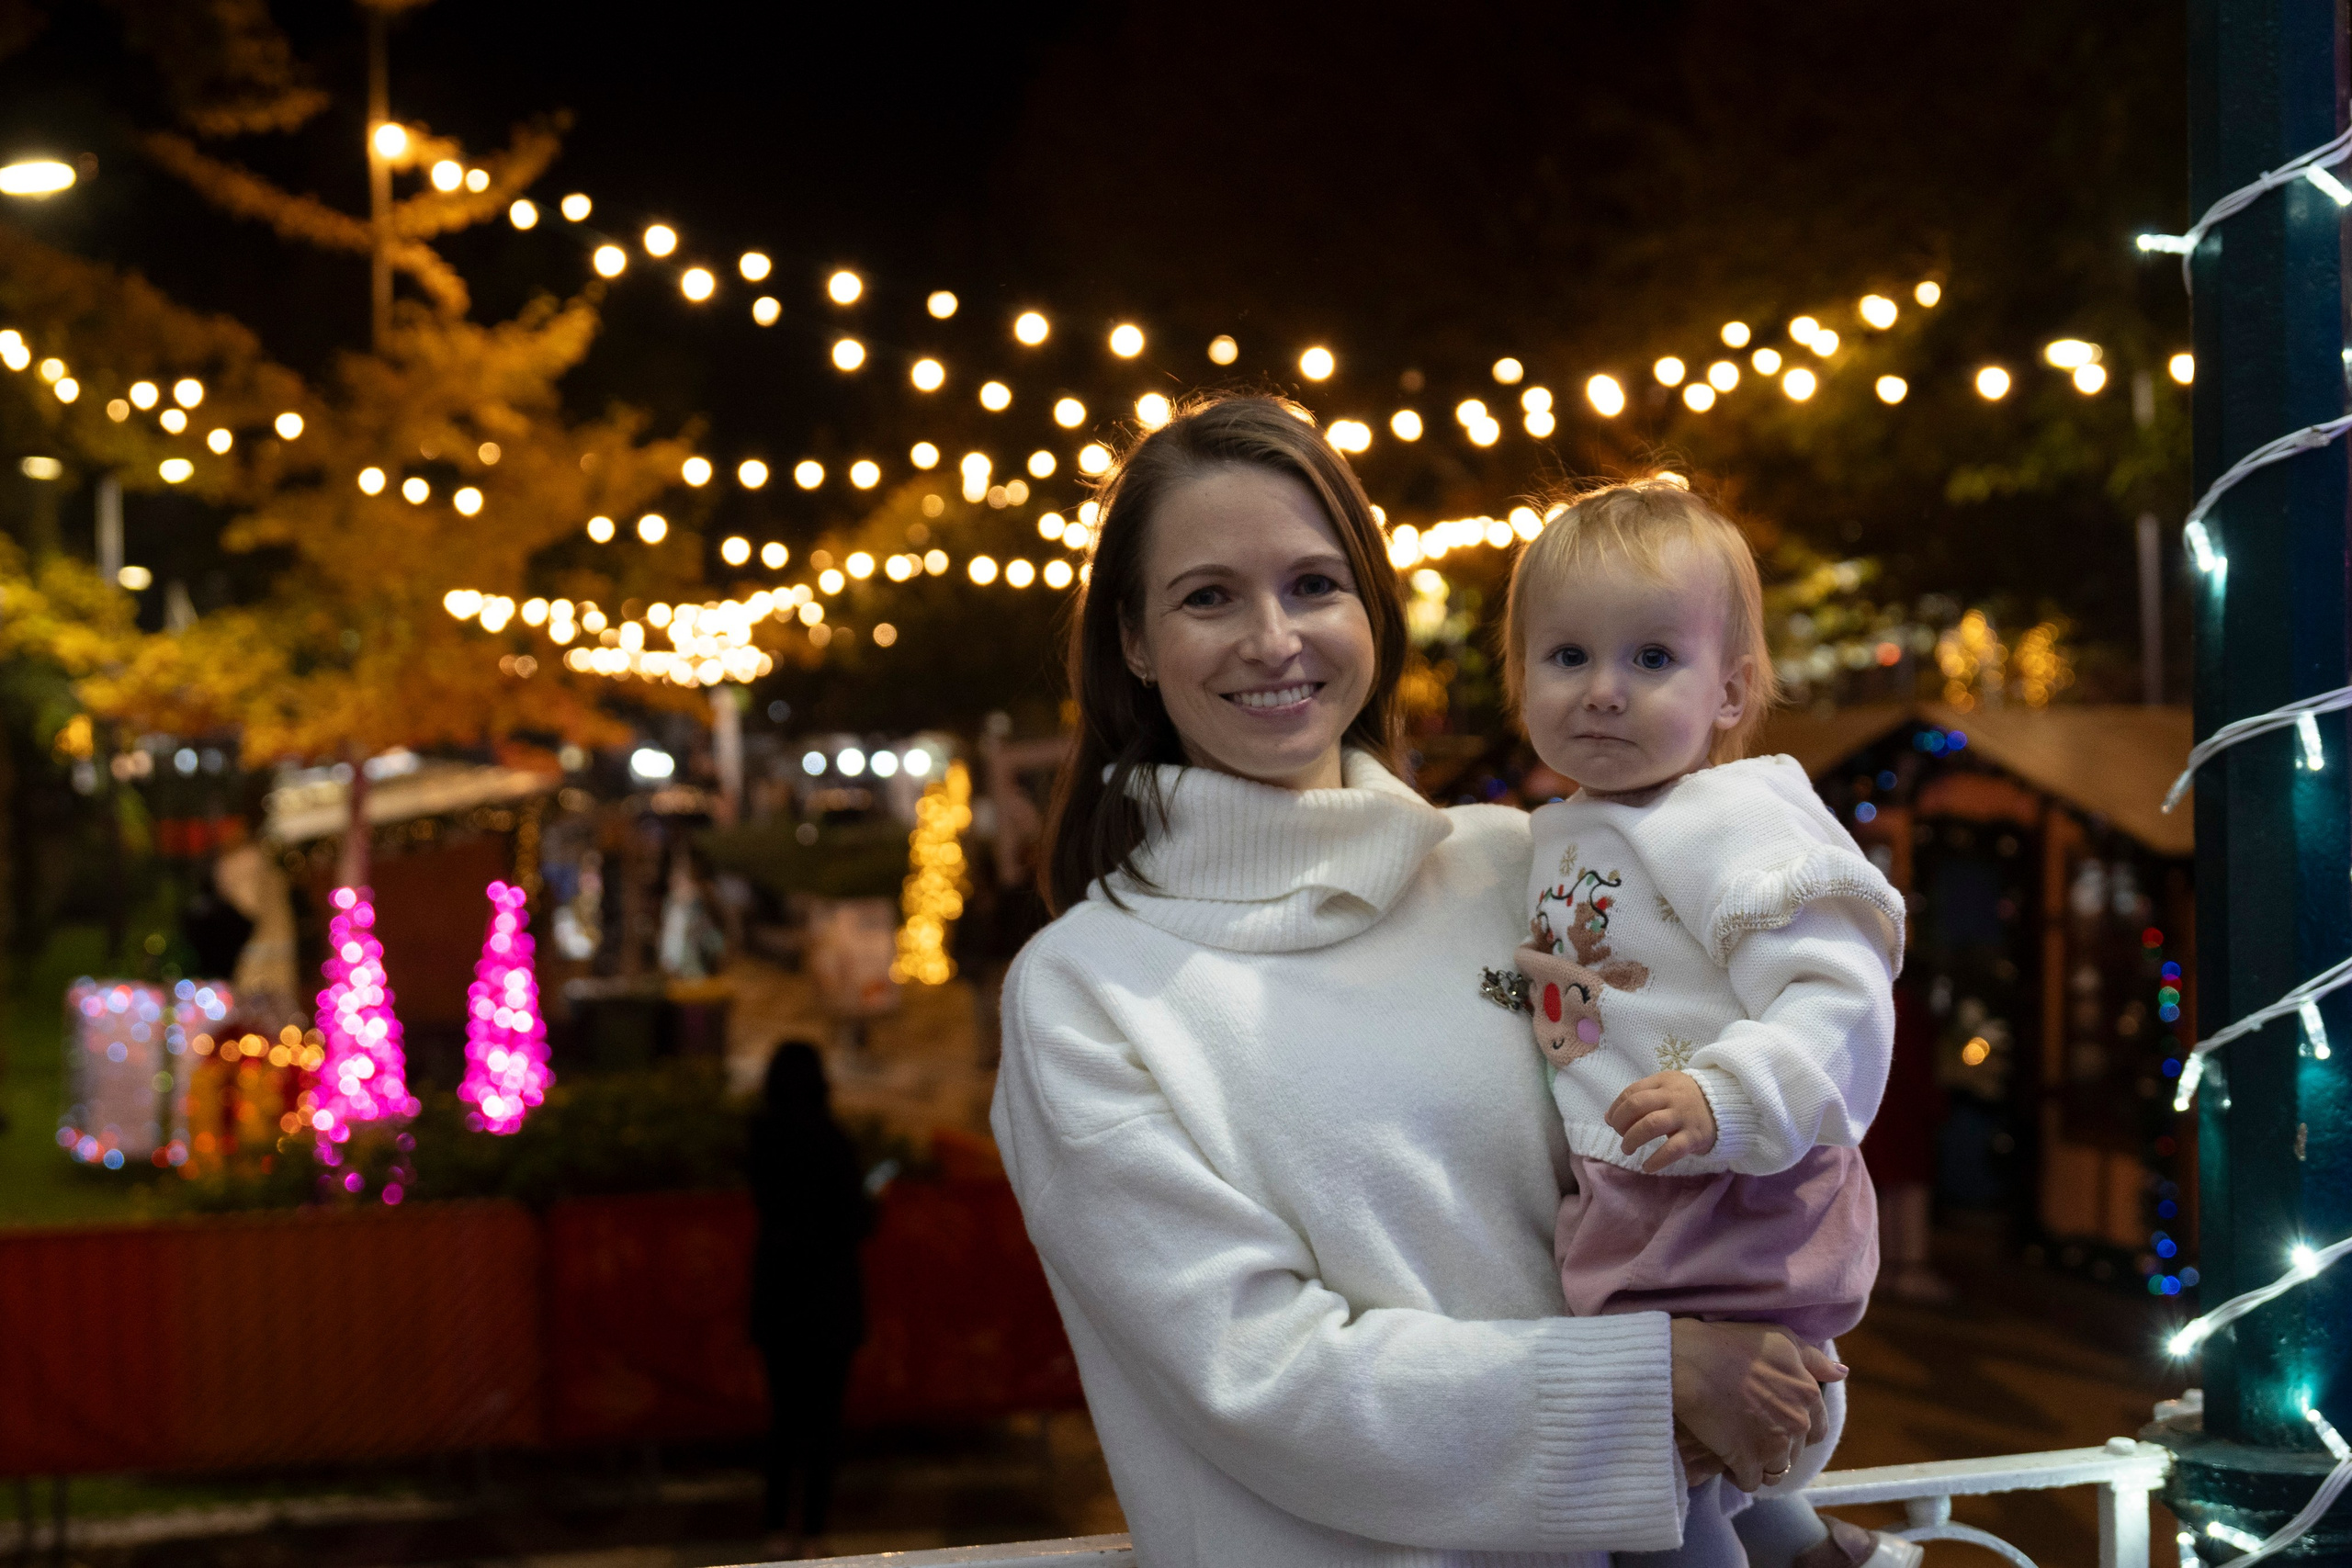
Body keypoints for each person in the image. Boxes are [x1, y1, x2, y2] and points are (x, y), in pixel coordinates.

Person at [990, 394, 1840, 1568]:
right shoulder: (1085, 992)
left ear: (1372, 611)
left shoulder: (1516, 866)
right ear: (1133, 641)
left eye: (1312, 584)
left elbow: (1694, 1174)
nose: (1274, 638)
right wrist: (1655, 1388)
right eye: (1207, 597)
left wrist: (1778, 1388)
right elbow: (1257, 1375)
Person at [1498, 481, 1915, 1568]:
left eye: (1649, 660)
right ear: (1520, 679)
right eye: (1566, 657)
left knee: (1656, 1472)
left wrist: (1731, 1096)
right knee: (1698, 1450)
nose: (1601, 691)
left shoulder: (1736, 820)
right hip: (1638, 1189)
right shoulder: (1565, 826)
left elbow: (1841, 992)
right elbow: (1588, 976)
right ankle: (1805, 1548)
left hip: (1729, 1193)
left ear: (1729, 693)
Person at [746, 1041, 872, 1558]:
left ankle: (777, 1526)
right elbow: (856, 1220)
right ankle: (815, 1530)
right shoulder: (834, 1141)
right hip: (829, 1299)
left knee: (783, 1416)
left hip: (778, 1294)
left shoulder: (761, 1139)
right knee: (823, 1422)